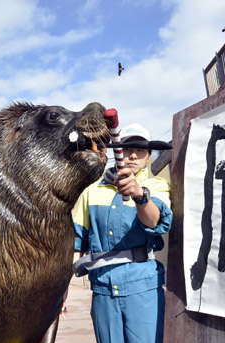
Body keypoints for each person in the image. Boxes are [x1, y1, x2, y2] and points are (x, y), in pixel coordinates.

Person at [72, 123, 173, 343]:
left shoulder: (157, 186)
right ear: (118, 153)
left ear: (148, 157)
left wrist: (140, 195)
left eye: (141, 151)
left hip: (143, 288)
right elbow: (75, 245)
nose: (133, 155)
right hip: (102, 290)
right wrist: (58, 295)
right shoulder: (91, 192)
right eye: (127, 149)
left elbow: (155, 221)